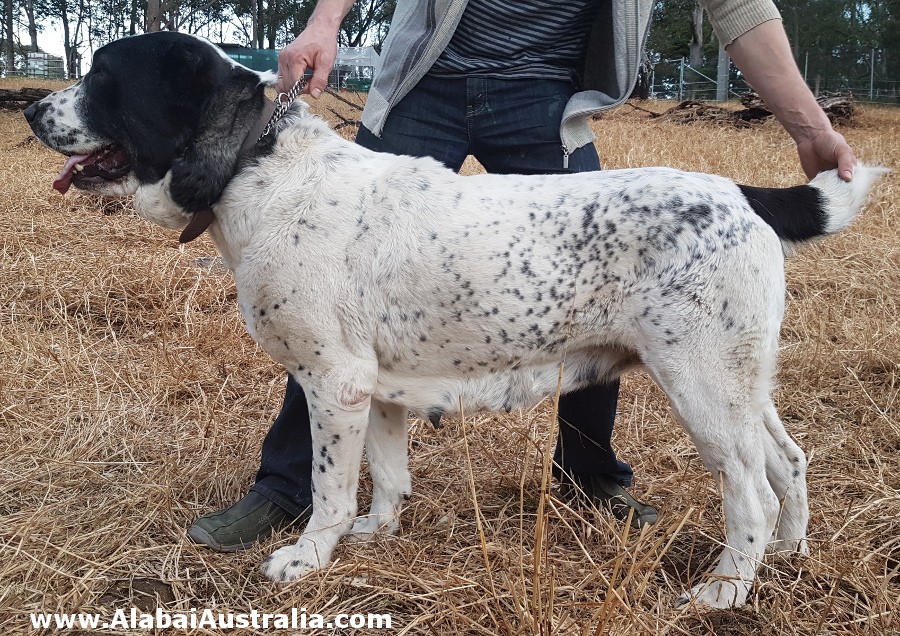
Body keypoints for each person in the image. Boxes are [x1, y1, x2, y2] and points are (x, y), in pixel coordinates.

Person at [188, 0, 856, 552]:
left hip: (545, 89)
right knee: (326, 299)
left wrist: (809, 126)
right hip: (428, 80)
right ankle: (286, 487)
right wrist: (325, 21)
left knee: (603, 291)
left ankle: (591, 477)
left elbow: (737, 7)